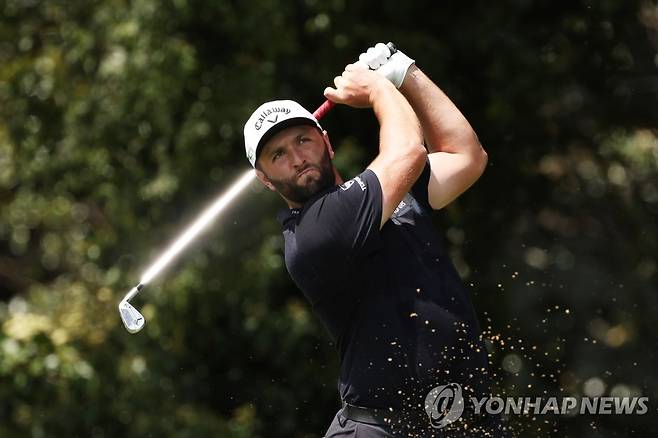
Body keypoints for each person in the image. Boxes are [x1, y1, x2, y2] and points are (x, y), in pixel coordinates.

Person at [243, 44, 511, 437]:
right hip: (382, 429)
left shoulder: (386, 191)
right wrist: (378, 89)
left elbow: (466, 155)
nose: (297, 157)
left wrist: (405, 72)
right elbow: (408, 151)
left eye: (303, 140)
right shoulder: (312, 231)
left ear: (327, 143)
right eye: (277, 155)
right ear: (265, 179)